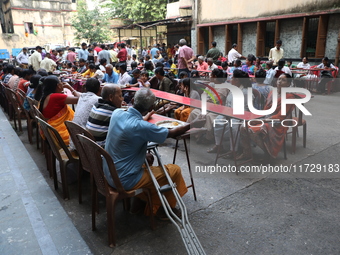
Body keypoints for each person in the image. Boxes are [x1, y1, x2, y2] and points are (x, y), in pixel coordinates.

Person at [104, 88, 204, 217]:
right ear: (151, 107)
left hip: (108, 171)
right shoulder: (141, 126)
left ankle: (140, 202)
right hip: (124, 179)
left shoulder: (117, 112)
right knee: (174, 170)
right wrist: (193, 123)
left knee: (149, 160)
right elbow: (171, 133)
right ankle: (162, 209)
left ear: (133, 100)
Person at [237, 73, 296, 160]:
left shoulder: (289, 97)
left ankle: (268, 154)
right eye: (279, 79)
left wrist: (262, 120)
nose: (280, 81)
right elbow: (266, 109)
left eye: (283, 80)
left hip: (278, 122)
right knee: (243, 126)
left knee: (252, 130)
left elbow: (280, 116)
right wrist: (257, 118)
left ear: (288, 84)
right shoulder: (272, 92)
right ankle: (247, 152)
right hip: (266, 117)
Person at [208, 69, 252, 153]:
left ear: (237, 80)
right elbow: (228, 104)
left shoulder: (245, 92)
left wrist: (229, 114)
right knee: (217, 121)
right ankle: (219, 145)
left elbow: (243, 110)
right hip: (230, 113)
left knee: (234, 125)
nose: (230, 79)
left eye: (232, 78)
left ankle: (233, 150)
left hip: (242, 116)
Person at [39, 75, 80, 145]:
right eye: (61, 82)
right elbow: (80, 99)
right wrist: (70, 88)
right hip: (58, 132)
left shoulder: (46, 95)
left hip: (50, 129)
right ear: (58, 85)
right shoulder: (56, 97)